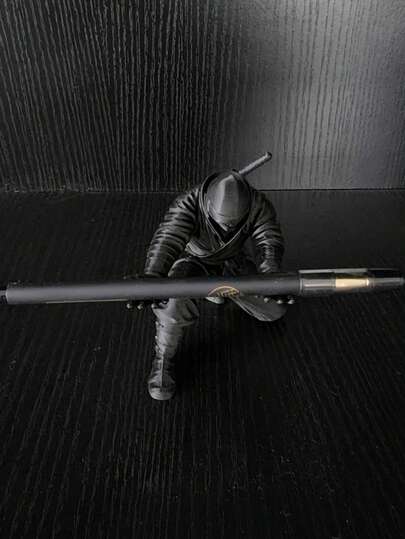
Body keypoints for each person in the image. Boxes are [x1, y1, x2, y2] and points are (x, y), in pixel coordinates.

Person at [135, 169, 293, 400]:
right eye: (223, 223)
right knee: (172, 301)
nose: (228, 229)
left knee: (273, 309)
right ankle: (163, 359)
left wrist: (270, 275)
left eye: (234, 225)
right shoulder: (187, 203)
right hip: (195, 263)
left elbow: (268, 239)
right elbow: (168, 238)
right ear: (208, 205)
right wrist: (153, 275)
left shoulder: (258, 202)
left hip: (233, 263)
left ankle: (220, 289)